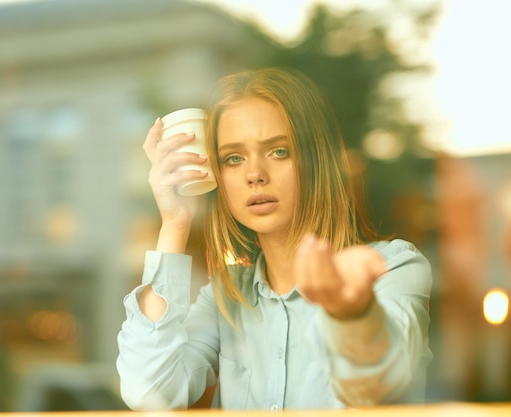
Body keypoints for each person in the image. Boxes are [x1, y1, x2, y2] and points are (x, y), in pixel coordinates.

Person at [116, 68, 433, 410]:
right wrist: (174, 223)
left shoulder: (394, 268)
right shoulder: (226, 297)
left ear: (316, 161)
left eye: (279, 151)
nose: (254, 175)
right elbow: (149, 392)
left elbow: (374, 390)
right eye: (233, 159)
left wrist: (352, 314)